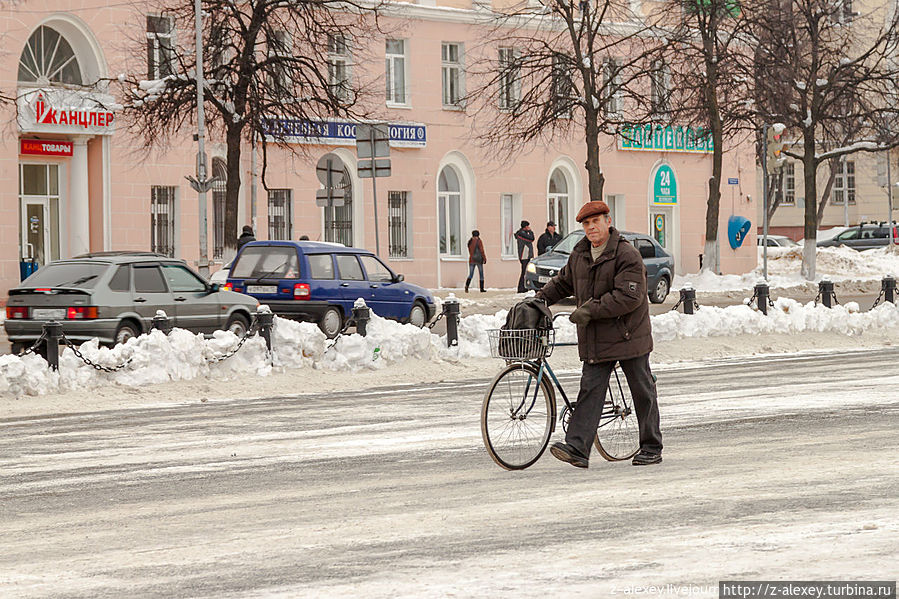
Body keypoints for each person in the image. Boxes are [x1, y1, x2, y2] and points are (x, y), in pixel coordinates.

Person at [536, 200, 663, 468]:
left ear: (608, 221)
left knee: (641, 389)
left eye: (595, 222)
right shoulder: (580, 254)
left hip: (629, 334)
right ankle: (578, 448)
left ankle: (651, 446)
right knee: (590, 390)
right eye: (586, 224)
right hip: (598, 337)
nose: (591, 228)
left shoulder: (626, 254)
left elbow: (628, 296)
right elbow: (563, 282)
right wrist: (539, 300)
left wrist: (589, 310)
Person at [514, 220, 535, 293]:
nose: (529, 227)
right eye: (528, 226)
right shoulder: (521, 234)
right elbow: (531, 239)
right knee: (524, 272)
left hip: (526, 255)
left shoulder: (523, 233)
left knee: (525, 271)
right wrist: (531, 231)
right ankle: (521, 288)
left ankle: (524, 287)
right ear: (525, 227)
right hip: (524, 255)